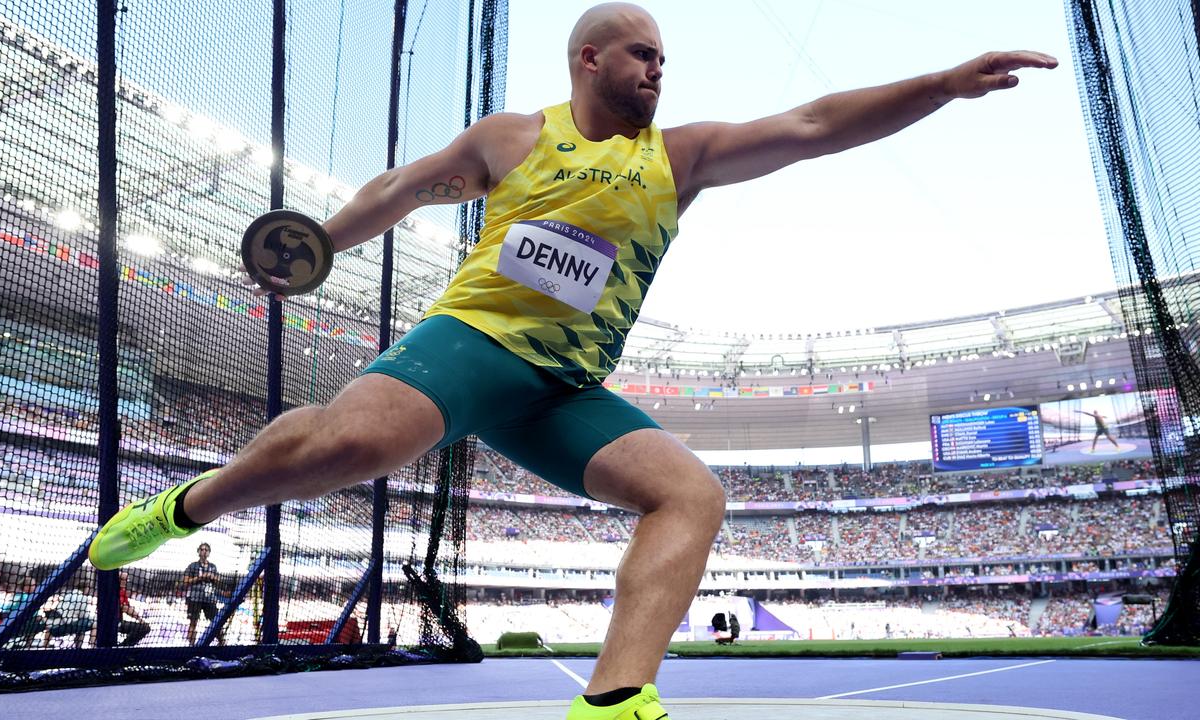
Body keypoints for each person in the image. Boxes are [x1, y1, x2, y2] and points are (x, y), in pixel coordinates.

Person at [88, 3, 1056, 717]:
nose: (658, 70)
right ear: (588, 57)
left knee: (689, 493)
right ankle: (183, 507)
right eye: (643, 53)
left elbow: (810, 125)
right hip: (468, 344)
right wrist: (322, 243)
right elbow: (405, 185)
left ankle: (615, 700)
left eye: (665, 59)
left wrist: (934, 85)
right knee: (354, 448)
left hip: (562, 388)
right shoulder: (512, 138)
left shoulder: (681, 156)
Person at [183, 542, 222, 646]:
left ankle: (222, 644)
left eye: (206, 550)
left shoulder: (213, 567)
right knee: (193, 623)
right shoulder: (192, 566)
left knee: (216, 622)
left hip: (209, 598)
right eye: (202, 549)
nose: (204, 552)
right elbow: (186, 581)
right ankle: (191, 646)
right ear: (198, 552)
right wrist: (200, 577)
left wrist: (213, 578)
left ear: (209, 553)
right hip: (195, 598)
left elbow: (218, 581)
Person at [118, 569, 151, 647]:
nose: (125, 582)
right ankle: (122, 648)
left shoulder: (122, 591)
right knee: (143, 628)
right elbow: (125, 608)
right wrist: (141, 620)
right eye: (122, 579)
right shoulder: (111, 590)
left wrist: (141, 620)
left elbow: (128, 608)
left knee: (144, 628)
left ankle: (122, 647)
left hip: (118, 621)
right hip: (107, 623)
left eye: (126, 580)